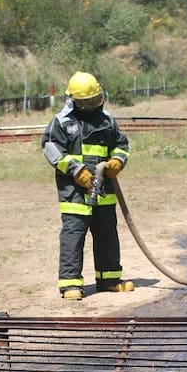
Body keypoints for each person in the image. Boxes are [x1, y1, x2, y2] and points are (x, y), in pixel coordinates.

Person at [41, 71, 133, 300]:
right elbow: (51, 149)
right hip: (74, 193)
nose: (93, 104)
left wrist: (117, 162)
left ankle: (109, 279)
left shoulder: (107, 120)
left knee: (107, 236)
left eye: (96, 99)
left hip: (104, 192)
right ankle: (71, 284)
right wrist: (76, 170)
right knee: (73, 237)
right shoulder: (62, 123)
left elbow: (121, 144)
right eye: (88, 101)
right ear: (75, 101)